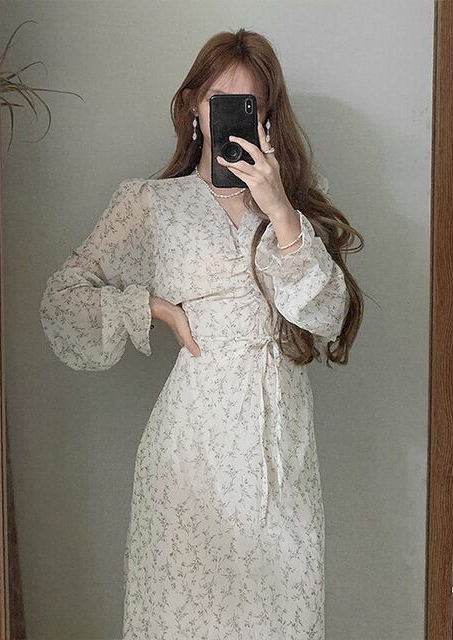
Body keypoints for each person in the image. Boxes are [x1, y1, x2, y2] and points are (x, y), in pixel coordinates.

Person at [39, 27, 363, 640]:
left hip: (279, 444)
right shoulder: (152, 205)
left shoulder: (294, 206)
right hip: (191, 448)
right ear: (193, 105)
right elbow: (63, 299)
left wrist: (280, 209)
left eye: (249, 103)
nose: (231, 115)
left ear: (268, 115)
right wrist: (153, 307)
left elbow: (326, 314)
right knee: (185, 615)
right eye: (218, 100)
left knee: (282, 614)